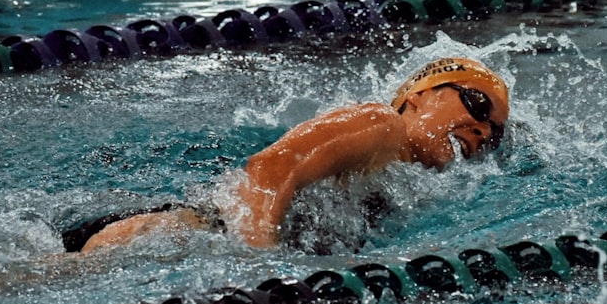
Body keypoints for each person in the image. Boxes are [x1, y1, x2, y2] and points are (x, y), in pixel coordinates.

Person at [70, 56, 509, 252]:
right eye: (477, 105)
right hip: (177, 235)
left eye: (493, 133)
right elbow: (272, 166)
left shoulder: (405, 176)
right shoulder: (384, 125)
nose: (481, 129)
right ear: (418, 95)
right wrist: (261, 265)